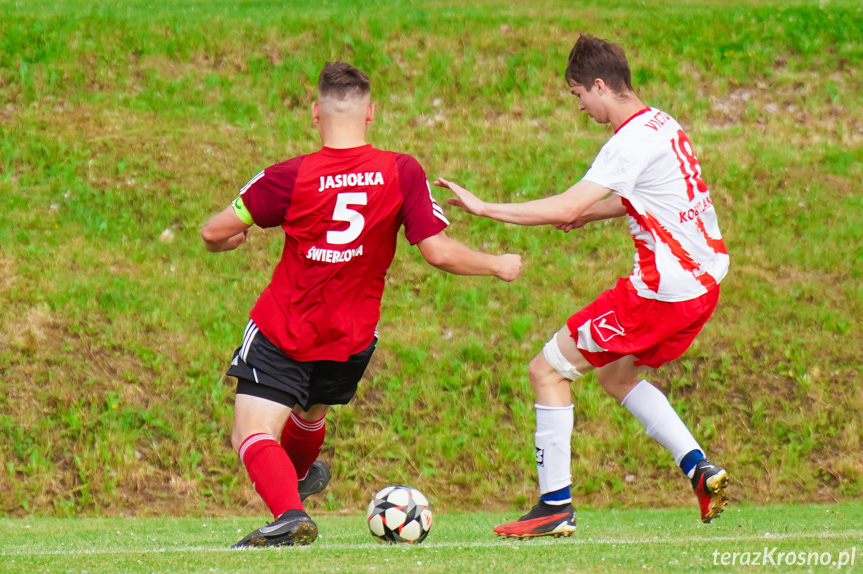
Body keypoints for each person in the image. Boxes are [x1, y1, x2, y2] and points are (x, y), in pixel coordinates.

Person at [200, 61, 522, 548]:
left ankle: (289, 509)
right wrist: (496, 263)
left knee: (250, 432)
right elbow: (437, 252)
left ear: (315, 113)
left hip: (286, 329)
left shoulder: (287, 177)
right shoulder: (402, 171)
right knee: (309, 415)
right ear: (371, 112)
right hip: (350, 338)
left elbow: (213, 232)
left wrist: (232, 240)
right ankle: (297, 477)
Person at [435, 34, 730, 538]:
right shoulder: (663, 123)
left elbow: (567, 203)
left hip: (660, 293)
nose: (580, 106)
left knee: (546, 370)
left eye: (578, 95)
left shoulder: (627, 141)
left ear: (599, 85)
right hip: (703, 285)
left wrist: (484, 207)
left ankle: (554, 506)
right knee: (617, 378)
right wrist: (593, 216)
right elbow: (650, 197)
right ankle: (699, 468)